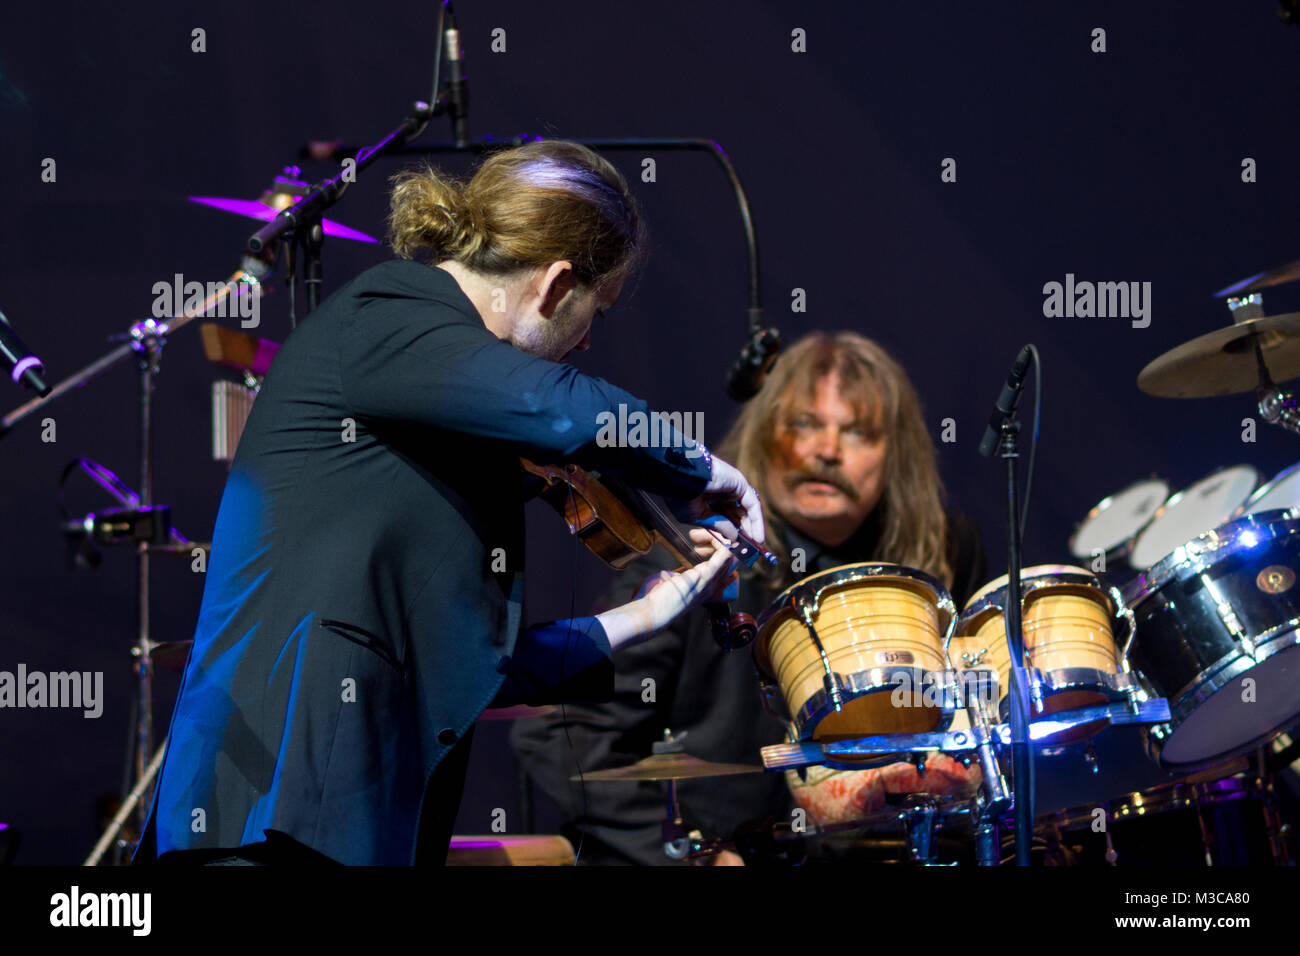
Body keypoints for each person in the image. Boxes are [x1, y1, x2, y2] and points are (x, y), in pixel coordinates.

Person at [133, 140, 763, 866]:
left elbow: (463, 662)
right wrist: (708, 470)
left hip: (339, 821)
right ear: (556, 285)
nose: (587, 341)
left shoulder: (438, 416)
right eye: (598, 310)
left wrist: (647, 612)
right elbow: (571, 412)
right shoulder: (388, 315)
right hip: (265, 811)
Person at [512, 331, 987, 865]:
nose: (825, 452)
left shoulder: (941, 563)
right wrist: (690, 857)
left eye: (857, 433)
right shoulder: (694, 562)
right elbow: (557, 730)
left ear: (894, 456)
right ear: (763, 436)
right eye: (802, 425)